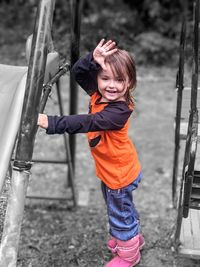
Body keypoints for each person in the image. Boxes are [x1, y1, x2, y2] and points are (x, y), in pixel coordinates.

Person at [37, 39, 144, 267]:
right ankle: (132, 239)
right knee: (122, 208)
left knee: (120, 213)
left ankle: (129, 254)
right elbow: (79, 73)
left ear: (130, 82)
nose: (111, 85)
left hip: (119, 175)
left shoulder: (118, 111)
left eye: (119, 80)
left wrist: (52, 122)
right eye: (105, 78)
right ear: (98, 78)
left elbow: (88, 121)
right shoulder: (98, 93)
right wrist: (92, 60)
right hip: (112, 171)